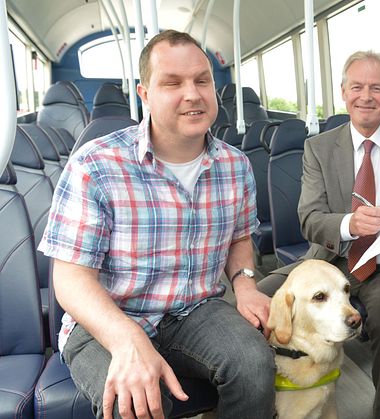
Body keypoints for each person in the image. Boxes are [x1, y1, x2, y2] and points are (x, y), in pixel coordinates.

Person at [39, 30, 275, 419]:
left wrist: (246, 285)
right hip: (109, 317)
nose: (193, 94)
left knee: (254, 365)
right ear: (144, 93)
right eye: (172, 83)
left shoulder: (235, 166)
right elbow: (70, 280)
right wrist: (127, 339)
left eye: (202, 80)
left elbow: (239, 238)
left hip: (195, 309)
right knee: (137, 405)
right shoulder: (96, 165)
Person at [257, 50, 380, 418]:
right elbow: (310, 219)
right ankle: (275, 402)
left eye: (376, 88)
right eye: (357, 87)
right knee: (254, 304)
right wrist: (350, 224)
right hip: (328, 262)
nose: (366, 96)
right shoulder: (319, 148)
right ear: (343, 93)